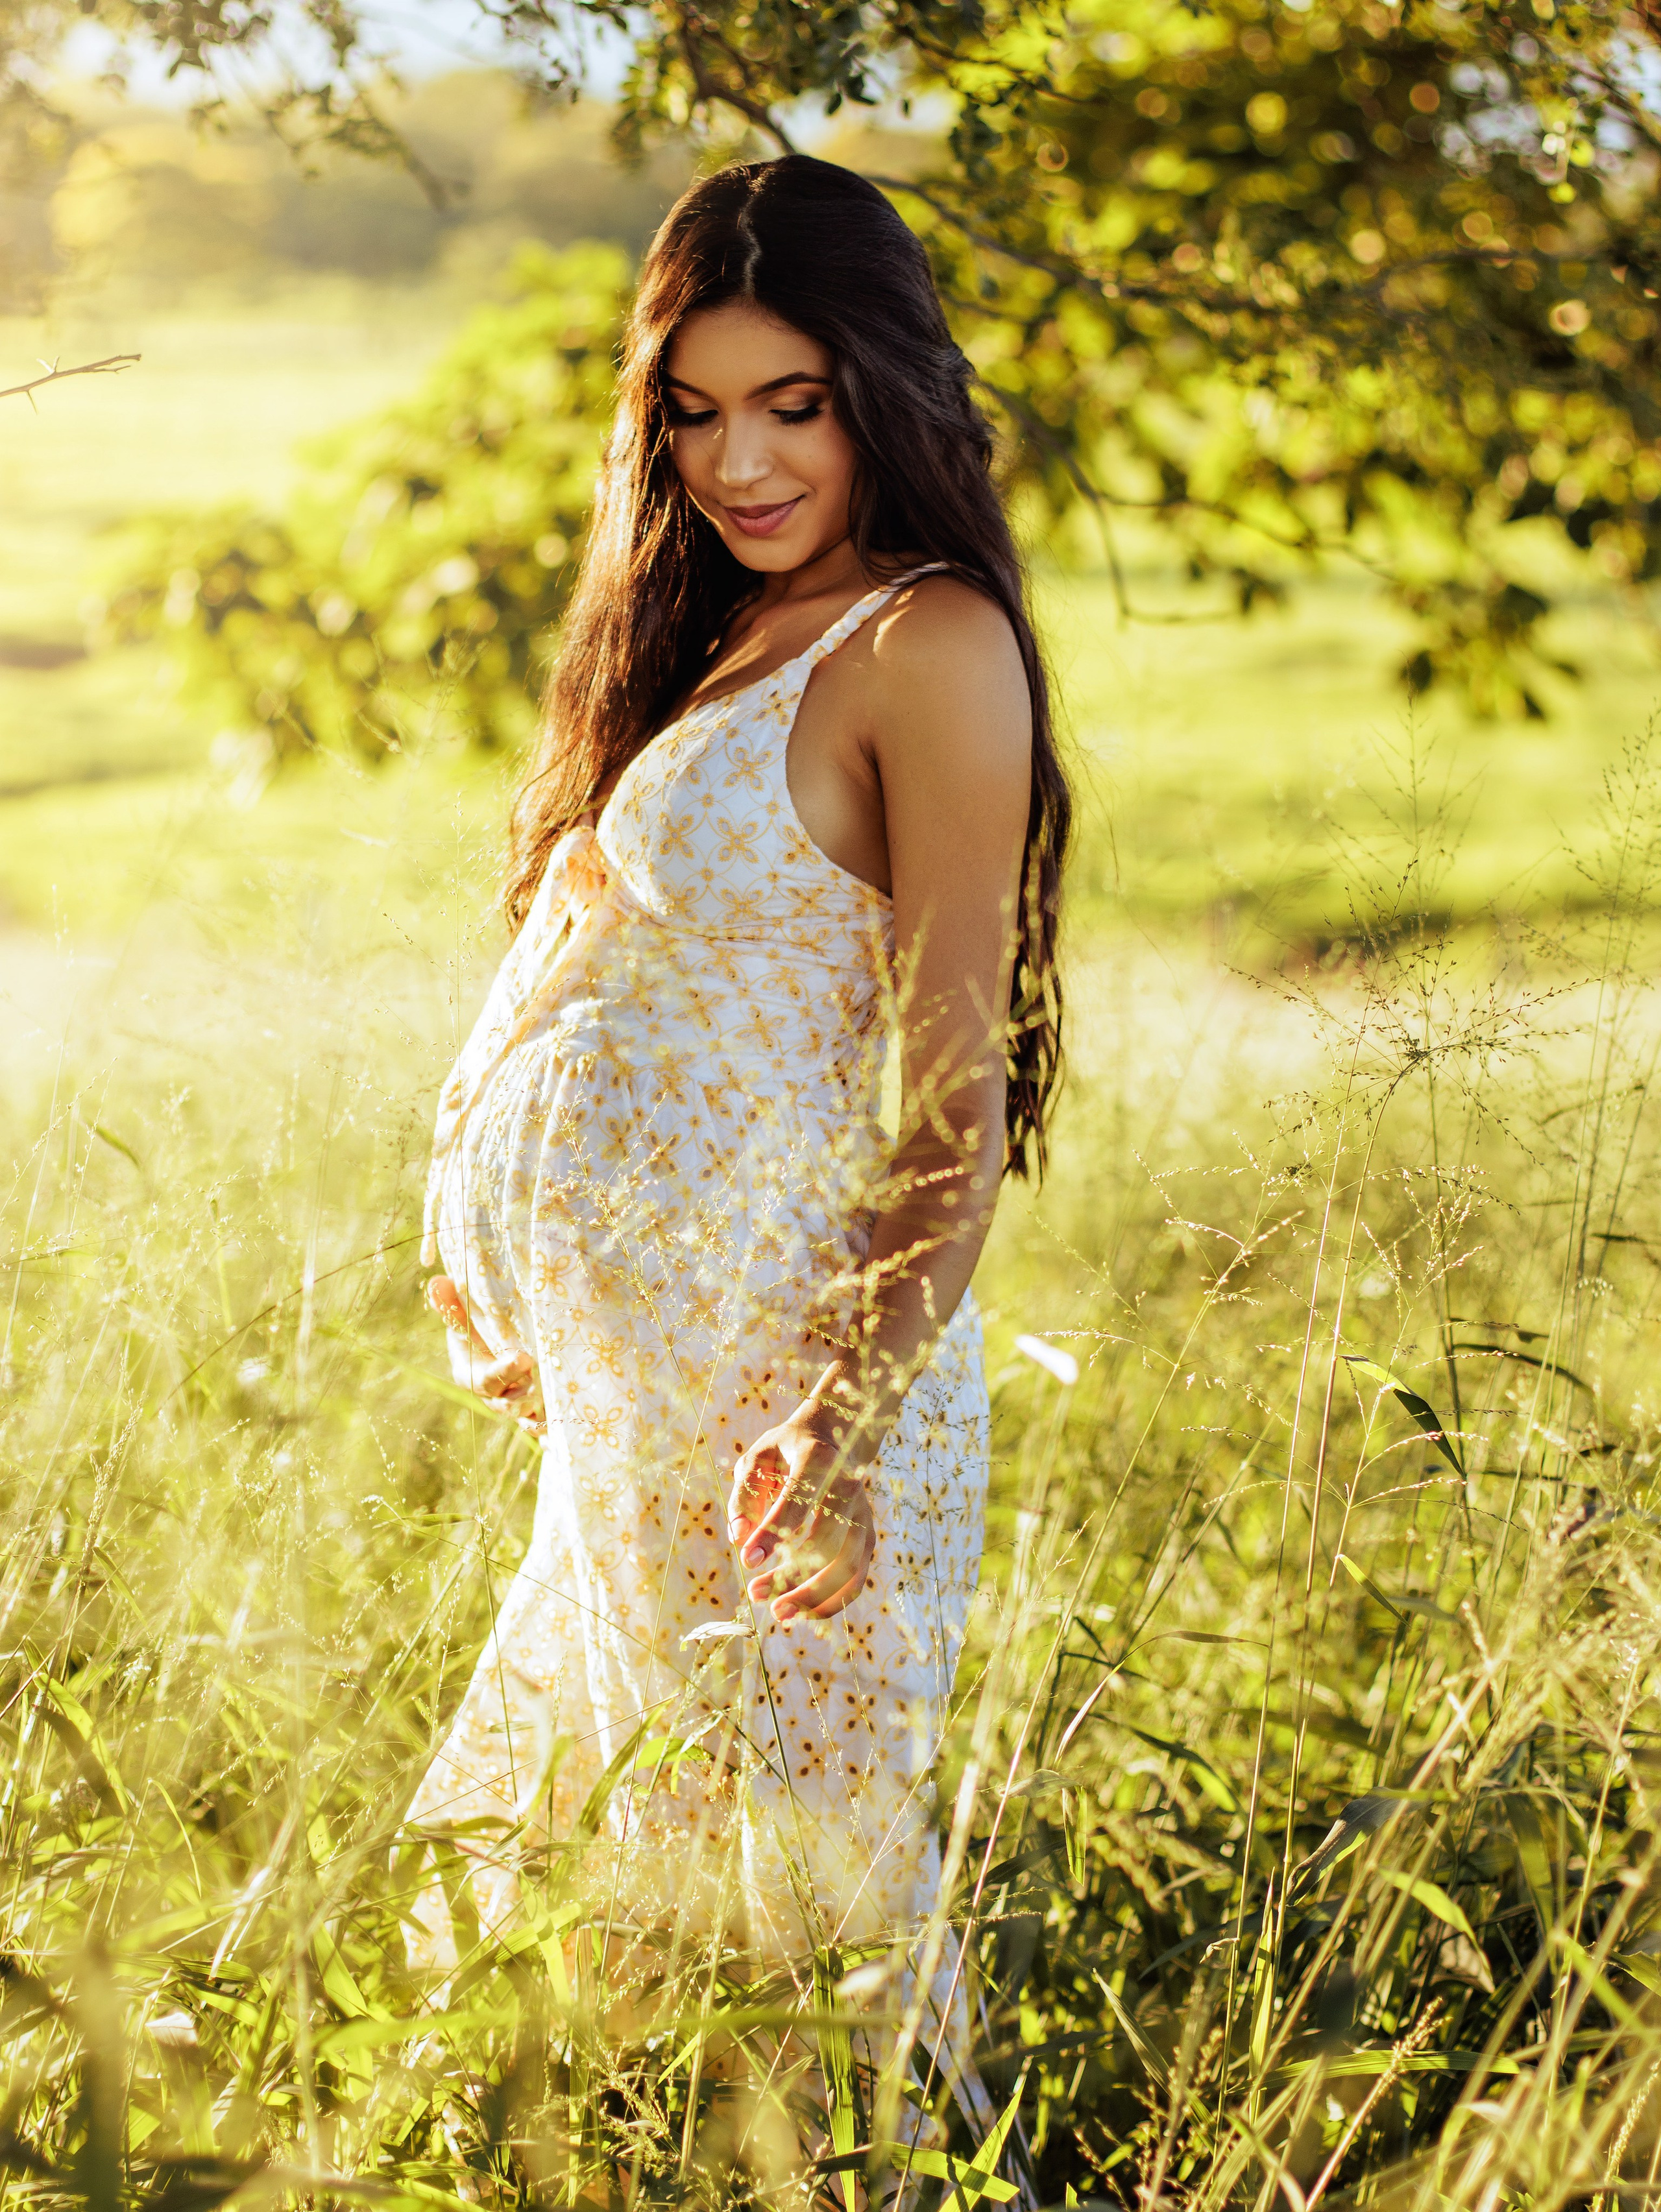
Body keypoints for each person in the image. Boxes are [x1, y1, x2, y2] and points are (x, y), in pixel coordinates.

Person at [407, 152, 1071, 2187]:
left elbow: (950, 1094)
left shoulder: (925, 644)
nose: (740, 456)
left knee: (803, 1950)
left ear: (884, 383)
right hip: (644, 1398)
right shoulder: (724, 620)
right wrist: (502, 1223)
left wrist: (850, 1416)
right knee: (598, 1915)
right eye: (694, 410)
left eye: (792, 400)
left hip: (793, 1398)